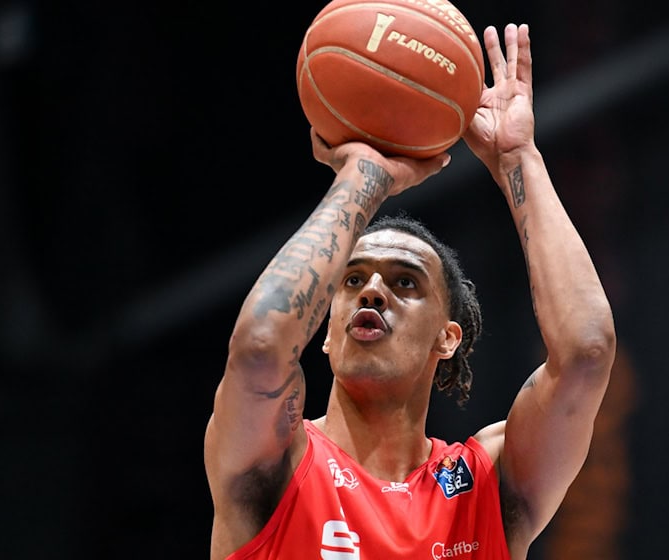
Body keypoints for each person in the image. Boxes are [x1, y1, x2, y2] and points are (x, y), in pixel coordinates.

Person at [204, 23, 616, 560]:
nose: (373, 290)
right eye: (352, 279)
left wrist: (518, 160)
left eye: (405, 282)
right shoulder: (277, 461)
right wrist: (363, 177)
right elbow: (260, 346)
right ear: (323, 333)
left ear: (447, 339)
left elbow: (586, 354)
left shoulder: (486, 486)